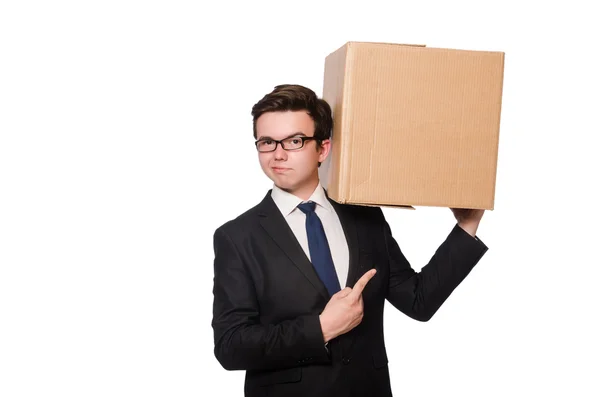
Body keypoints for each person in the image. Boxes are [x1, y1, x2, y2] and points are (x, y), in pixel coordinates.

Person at [211, 84, 488, 397]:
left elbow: (418, 301)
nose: (278, 153)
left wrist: (467, 225)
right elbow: (231, 346)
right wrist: (321, 328)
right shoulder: (237, 237)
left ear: (323, 148)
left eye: (294, 141)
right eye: (266, 142)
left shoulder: (364, 218)